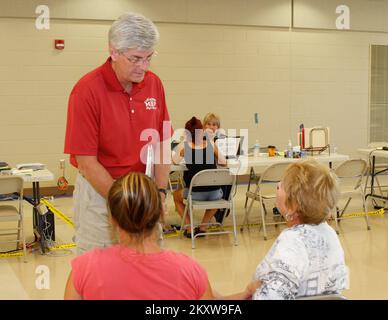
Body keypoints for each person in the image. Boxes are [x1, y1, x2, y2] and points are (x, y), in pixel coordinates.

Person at [64, 12, 172, 255]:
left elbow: (162, 142)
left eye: (149, 58)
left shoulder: (154, 84)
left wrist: (160, 192)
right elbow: (87, 163)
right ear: (114, 52)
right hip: (100, 194)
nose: (143, 67)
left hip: (144, 191)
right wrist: (123, 203)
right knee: (99, 268)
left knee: (149, 264)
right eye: (135, 59)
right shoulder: (86, 91)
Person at [64, 172, 258, 300]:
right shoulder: (190, 272)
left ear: (112, 218)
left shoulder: (83, 269)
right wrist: (243, 295)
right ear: (162, 214)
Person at [251, 160, 349, 300]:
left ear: (293, 206)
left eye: (281, 186)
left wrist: (258, 290)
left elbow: (271, 295)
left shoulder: (291, 241)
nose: (277, 186)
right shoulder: (329, 233)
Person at [172, 117, 226, 238]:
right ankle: (203, 226)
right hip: (215, 193)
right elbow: (224, 163)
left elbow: (175, 162)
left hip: (194, 193)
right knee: (218, 198)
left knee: (175, 196)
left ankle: (189, 227)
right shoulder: (211, 144)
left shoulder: (185, 146)